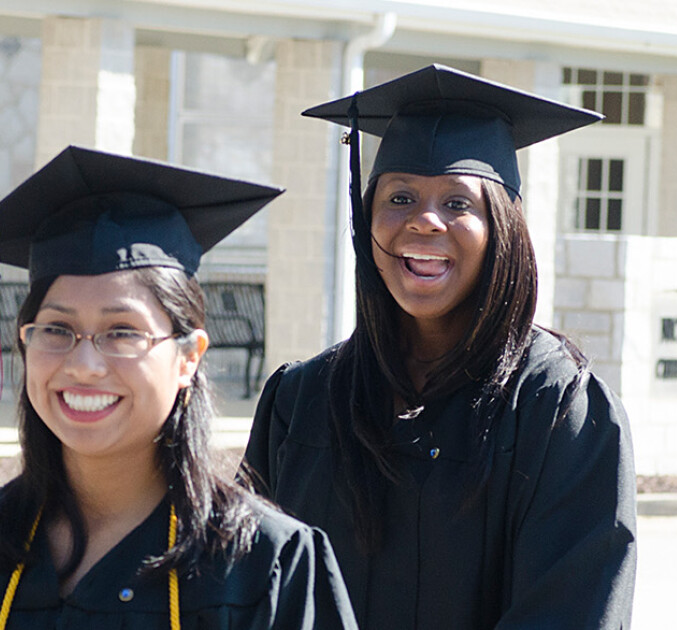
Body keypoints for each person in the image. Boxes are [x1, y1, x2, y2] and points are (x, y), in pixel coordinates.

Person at [242, 65, 637, 629]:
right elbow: (252, 590)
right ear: (367, 220)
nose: (424, 221)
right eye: (399, 197)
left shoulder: (561, 412)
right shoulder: (303, 399)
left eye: (458, 203)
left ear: (502, 228)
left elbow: (572, 611)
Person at [0, 146, 358, 628]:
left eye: (122, 332)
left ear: (189, 356)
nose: (83, 365)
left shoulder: (263, 564)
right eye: (57, 329)